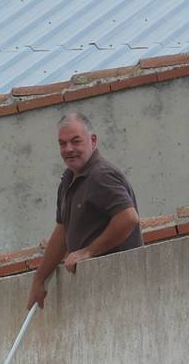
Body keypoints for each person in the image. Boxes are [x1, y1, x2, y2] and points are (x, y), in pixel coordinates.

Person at [26, 112, 140, 309]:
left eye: (75, 141)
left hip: (121, 288)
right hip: (95, 292)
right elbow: (63, 232)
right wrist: (39, 279)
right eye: (62, 144)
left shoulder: (100, 175)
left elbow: (128, 218)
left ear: (93, 140)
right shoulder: (68, 179)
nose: (68, 149)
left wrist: (87, 252)